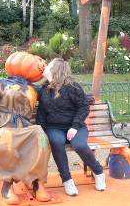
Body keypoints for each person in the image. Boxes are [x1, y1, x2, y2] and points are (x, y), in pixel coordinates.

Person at [0, 52, 51, 205]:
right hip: (3, 126)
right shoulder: (0, 83)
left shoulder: (34, 89)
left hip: (25, 127)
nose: (37, 64)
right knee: (7, 139)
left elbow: (53, 94)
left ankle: (36, 182)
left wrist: (47, 75)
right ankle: (7, 185)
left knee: (40, 136)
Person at [36, 58, 106, 196]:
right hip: (54, 127)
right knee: (56, 142)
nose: (45, 66)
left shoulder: (73, 87)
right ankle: (67, 180)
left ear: (55, 70)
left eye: (48, 65)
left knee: (79, 145)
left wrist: (74, 127)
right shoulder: (44, 89)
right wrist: (41, 131)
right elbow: (42, 113)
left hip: (75, 126)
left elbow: (83, 107)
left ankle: (98, 172)